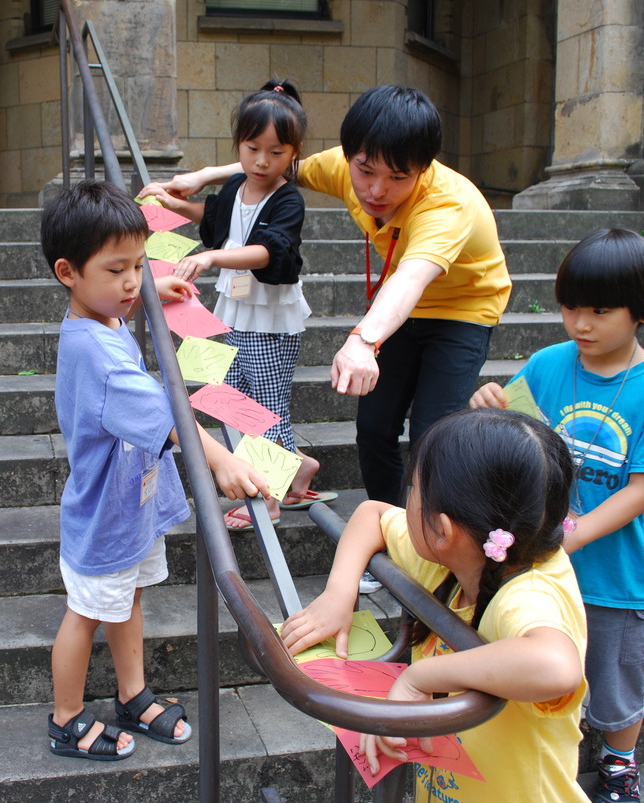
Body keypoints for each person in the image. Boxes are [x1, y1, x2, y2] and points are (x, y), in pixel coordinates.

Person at [145, 87, 511, 583]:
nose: (376, 190)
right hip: (394, 310)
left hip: (461, 311)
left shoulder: (448, 205)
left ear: (423, 169)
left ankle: (433, 556)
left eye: (397, 177)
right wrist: (203, 176)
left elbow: (412, 277)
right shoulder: (342, 165)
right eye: (365, 171)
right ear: (351, 156)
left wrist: (362, 340)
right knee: (375, 428)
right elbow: (276, 161)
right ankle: (388, 536)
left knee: (433, 435)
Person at [41, 180, 271, 761]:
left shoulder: (102, 315)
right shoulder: (97, 355)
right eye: (117, 270)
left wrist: (149, 291)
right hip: (105, 513)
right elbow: (171, 418)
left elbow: (126, 295)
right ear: (68, 272)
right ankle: (66, 718)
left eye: (139, 266)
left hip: (131, 501)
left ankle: (132, 693)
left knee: (130, 597)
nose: (131, 281)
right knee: (87, 614)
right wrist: (221, 460)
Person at [470, 229, 644, 803]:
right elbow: (514, 435)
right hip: (544, 567)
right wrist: (488, 406)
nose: (580, 324)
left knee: (615, 683)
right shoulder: (548, 365)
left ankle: (619, 761)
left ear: (643, 312)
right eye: (570, 308)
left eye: (599, 311)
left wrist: (576, 533)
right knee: (544, 663)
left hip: (617, 578)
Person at [281, 408, 589, 802]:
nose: (407, 499)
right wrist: (339, 593)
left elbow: (556, 665)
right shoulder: (462, 556)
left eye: (413, 488)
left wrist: (419, 677)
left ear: (443, 530)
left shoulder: (527, 594)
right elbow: (372, 514)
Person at [142, 79, 335, 530]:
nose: (262, 161)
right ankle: (296, 466)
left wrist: (210, 258)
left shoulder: (287, 199)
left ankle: (268, 498)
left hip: (270, 319)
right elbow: (213, 218)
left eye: (276, 152)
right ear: (239, 146)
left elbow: (269, 251)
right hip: (233, 308)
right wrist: (170, 203)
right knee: (231, 396)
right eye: (252, 149)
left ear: (295, 153)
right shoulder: (236, 186)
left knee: (264, 407)